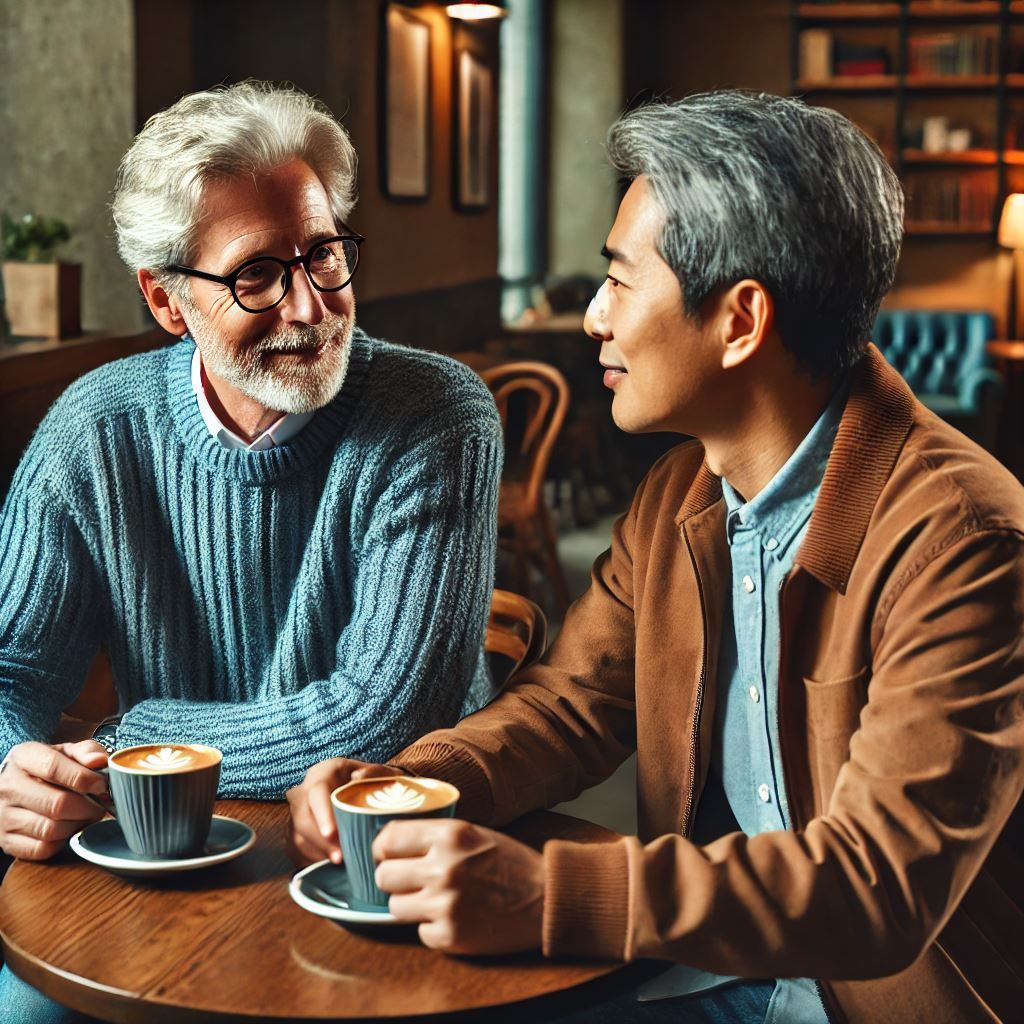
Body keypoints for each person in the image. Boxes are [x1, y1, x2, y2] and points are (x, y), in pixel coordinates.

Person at [289, 90, 1024, 1024]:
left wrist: (549, 894)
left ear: (741, 320)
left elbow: (876, 884)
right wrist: (418, 781)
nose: (594, 317)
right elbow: (571, 706)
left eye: (620, 280)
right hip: (703, 974)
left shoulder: (967, 542)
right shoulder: (678, 493)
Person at [0, 82, 500, 1020]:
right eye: (258, 275)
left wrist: (134, 742)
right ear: (167, 300)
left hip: (378, 868)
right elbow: (8, 668)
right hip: (171, 858)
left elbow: (385, 712)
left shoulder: (436, 412)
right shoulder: (94, 430)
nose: (310, 306)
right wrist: (11, 766)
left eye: (324, 255)